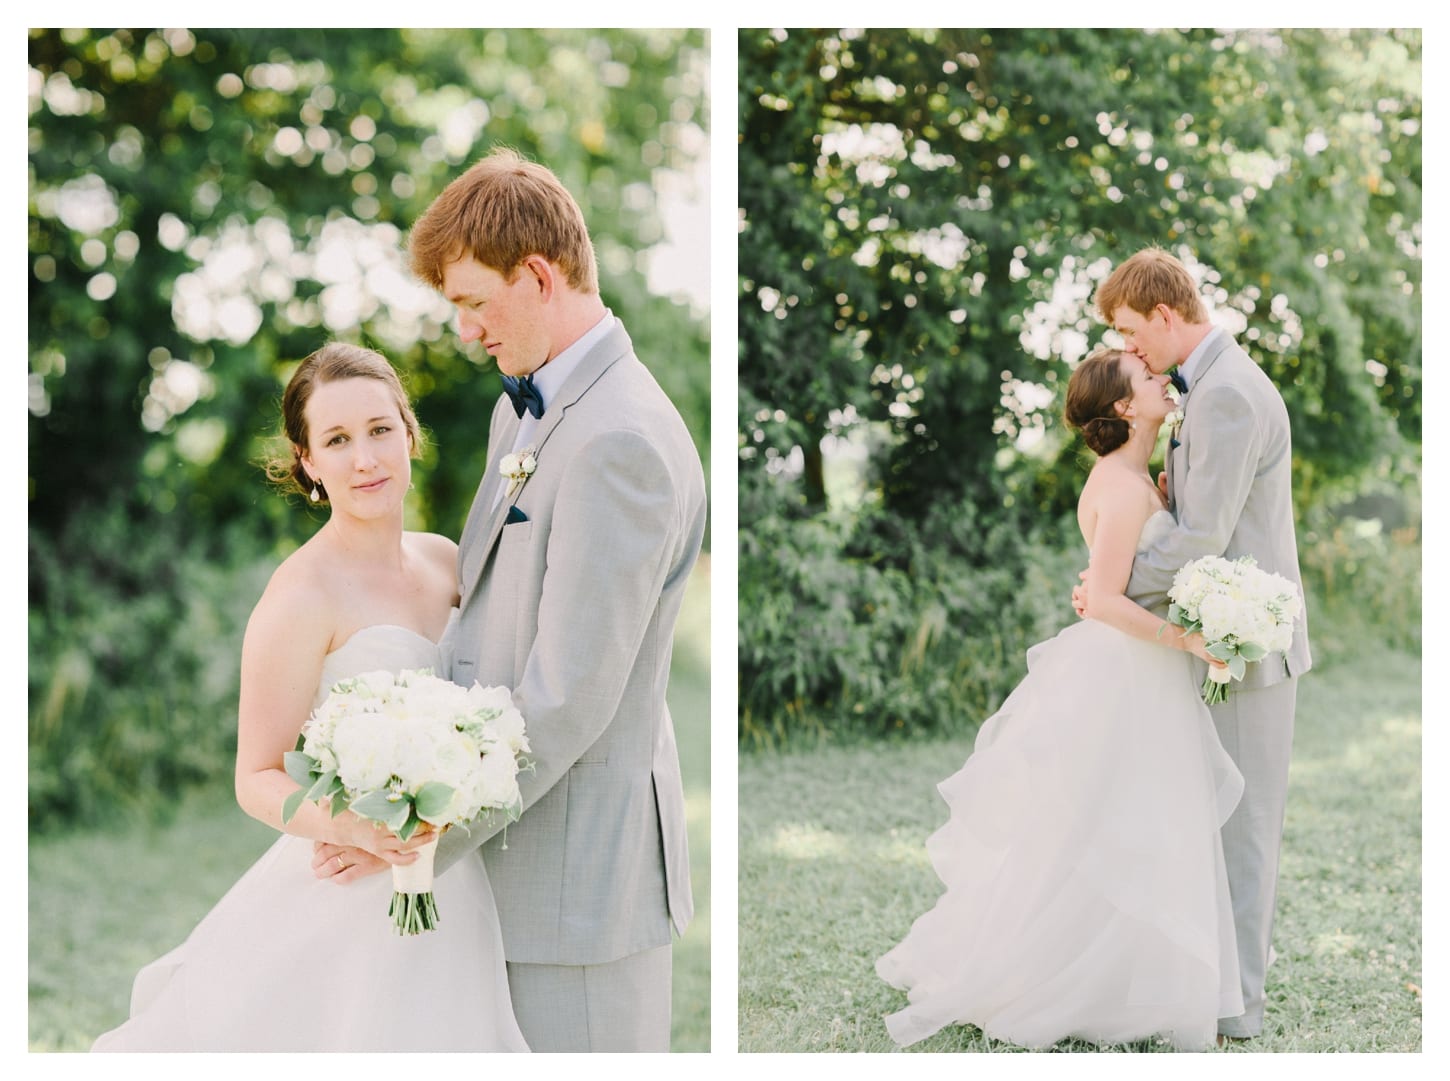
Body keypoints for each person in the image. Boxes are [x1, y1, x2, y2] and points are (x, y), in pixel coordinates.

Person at [312, 148, 706, 1052]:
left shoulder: (622, 442)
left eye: (472, 302)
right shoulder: (520, 411)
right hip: (510, 864)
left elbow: (568, 693)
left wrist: (414, 837)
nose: (464, 331)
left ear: (538, 275)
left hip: (578, 887)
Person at [92, 343, 529, 1052]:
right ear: (307, 462)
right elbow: (256, 775)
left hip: (454, 877)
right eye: (337, 440)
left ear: (409, 432)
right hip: (350, 893)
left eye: (381, 429)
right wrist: (357, 829)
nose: (366, 458)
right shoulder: (299, 596)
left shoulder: (448, 560)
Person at [876, 348, 1244, 1051]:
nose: (1162, 379)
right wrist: (1185, 639)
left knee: (1134, 825)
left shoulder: (1141, 479)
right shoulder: (1122, 485)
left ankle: (1127, 977)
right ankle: (1057, 977)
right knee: (1103, 829)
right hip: (1125, 675)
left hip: (1147, 677)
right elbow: (1101, 601)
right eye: (1146, 379)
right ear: (1125, 408)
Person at [1086, 248, 1312, 1041]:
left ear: (1166, 315)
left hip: (1248, 650)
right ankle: (1207, 984)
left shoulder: (1227, 395)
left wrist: (1107, 584)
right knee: (1211, 822)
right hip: (1213, 639)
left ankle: (1239, 1005)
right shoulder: (1208, 386)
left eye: (1128, 329)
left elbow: (1200, 535)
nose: (1130, 349)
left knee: (1243, 831)